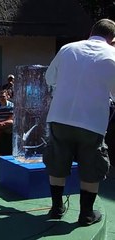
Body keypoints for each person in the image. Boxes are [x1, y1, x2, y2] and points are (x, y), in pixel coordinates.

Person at [43, 19, 115, 226]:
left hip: (60, 116)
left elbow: (50, 78)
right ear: (113, 40)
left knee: (57, 160)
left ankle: (56, 208)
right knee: (92, 165)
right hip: (91, 122)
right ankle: (86, 214)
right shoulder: (113, 55)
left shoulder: (67, 48)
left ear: (91, 31)